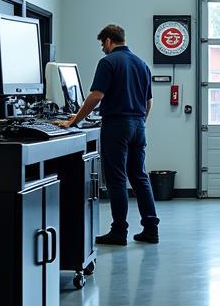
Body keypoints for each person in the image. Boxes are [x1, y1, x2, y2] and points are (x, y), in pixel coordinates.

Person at [59, 24, 160, 245]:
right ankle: (151, 229)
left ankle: (119, 232)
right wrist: (139, 122)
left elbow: (96, 96)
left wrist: (75, 120)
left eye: (101, 44)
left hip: (117, 125)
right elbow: (148, 101)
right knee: (140, 176)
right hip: (138, 125)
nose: (102, 49)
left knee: (116, 179)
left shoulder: (108, 62)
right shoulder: (142, 64)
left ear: (107, 41)